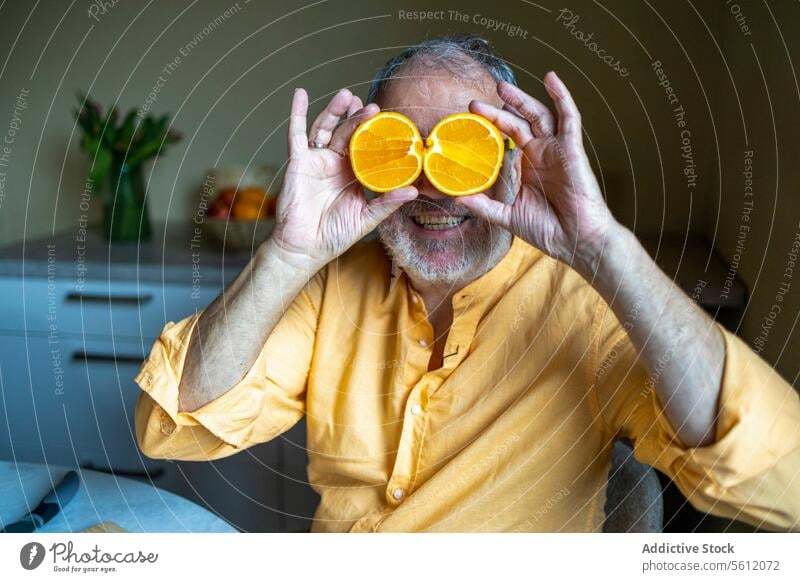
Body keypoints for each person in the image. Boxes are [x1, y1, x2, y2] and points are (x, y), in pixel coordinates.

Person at [134, 34, 800, 532]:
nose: (430, 184)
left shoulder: (588, 305)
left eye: (464, 149)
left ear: (515, 160)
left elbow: (784, 481)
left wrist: (603, 249)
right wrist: (287, 252)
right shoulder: (329, 288)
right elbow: (178, 420)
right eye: (402, 147)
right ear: (365, 161)